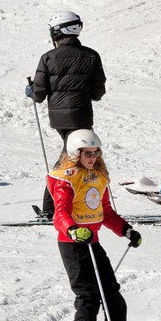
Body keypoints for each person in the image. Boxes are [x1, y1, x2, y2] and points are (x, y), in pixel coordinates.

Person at [47, 130, 145, 321]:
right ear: (75, 153)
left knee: (113, 296)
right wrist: (72, 229)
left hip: (93, 241)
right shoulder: (66, 178)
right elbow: (60, 213)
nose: (92, 157)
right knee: (88, 295)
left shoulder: (98, 176)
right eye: (87, 153)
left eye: (95, 152)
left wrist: (125, 230)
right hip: (73, 245)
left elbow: (105, 212)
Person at [30, 11, 106, 217]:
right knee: (72, 159)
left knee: (73, 157)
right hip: (82, 115)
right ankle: (54, 207)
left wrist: (31, 90)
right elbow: (99, 92)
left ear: (57, 33)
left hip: (59, 118)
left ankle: (62, 205)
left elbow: (38, 94)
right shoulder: (91, 56)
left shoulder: (47, 58)